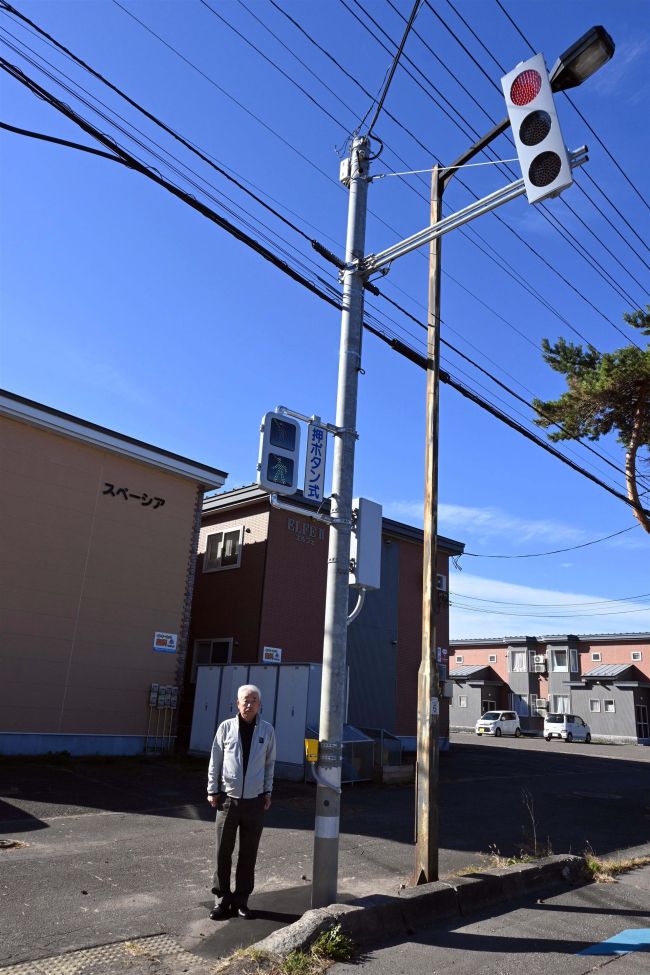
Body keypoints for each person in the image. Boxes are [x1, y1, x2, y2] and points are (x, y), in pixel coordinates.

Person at [207, 684, 276, 920]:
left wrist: (267, 791)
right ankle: (221, 900)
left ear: (260, 705)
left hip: (255, 802)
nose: (249, 704)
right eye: (245, 700)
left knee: (248, 853)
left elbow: (269, 764)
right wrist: (212, 789)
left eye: (254, 700)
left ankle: (241, 901)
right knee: (222, 852)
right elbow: (215, 761)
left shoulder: (267, 731)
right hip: (228, 800)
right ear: (237, 703)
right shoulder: (226, 728)